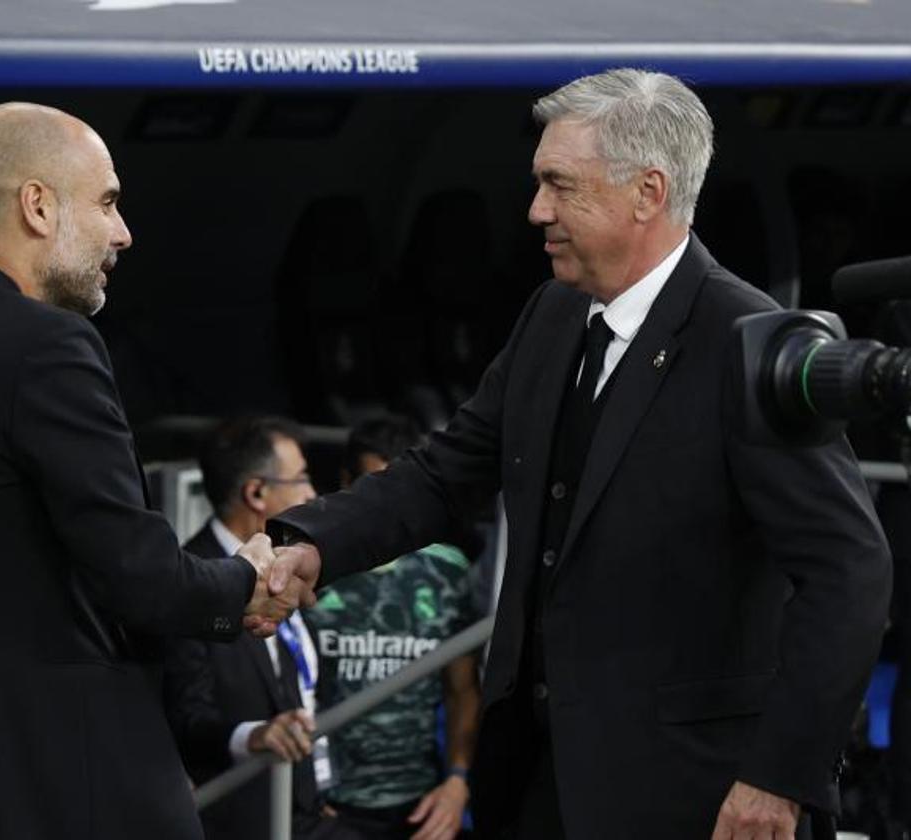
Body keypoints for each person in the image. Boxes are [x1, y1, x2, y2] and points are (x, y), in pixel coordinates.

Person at [270, 68, 892, 839]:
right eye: (539, 185)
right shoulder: (553, 312)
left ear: (648, 192)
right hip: (538, 780)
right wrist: (315, 542)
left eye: (560, 186)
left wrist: (778, 776)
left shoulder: (747, 341)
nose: (536, 212)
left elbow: (851, 569)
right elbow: (448, 469)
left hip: (691, 796)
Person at [0, 103, 312, 840]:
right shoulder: (49, 347)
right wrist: (245, 579)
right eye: (109, 202)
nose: (124, 233)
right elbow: (145, 580)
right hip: (58, 789)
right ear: (37, 205)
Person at [164, 415, 357, 840]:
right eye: (302, 478)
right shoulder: (192, 582)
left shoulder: (284, 562)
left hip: (309, 810)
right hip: (243, 820)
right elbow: (188, 718)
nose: (312, 493)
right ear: (256, 492)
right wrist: (255, 736)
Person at [307, 414, 481, 840]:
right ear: (347, 482)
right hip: (330, 809)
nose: (383, 508)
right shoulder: (310, 569)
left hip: (420, 807)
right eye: (371, 487)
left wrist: (458, 782)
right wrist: (302, 797)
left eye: (395, 491)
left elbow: (463, 691)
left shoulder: (446, 571)